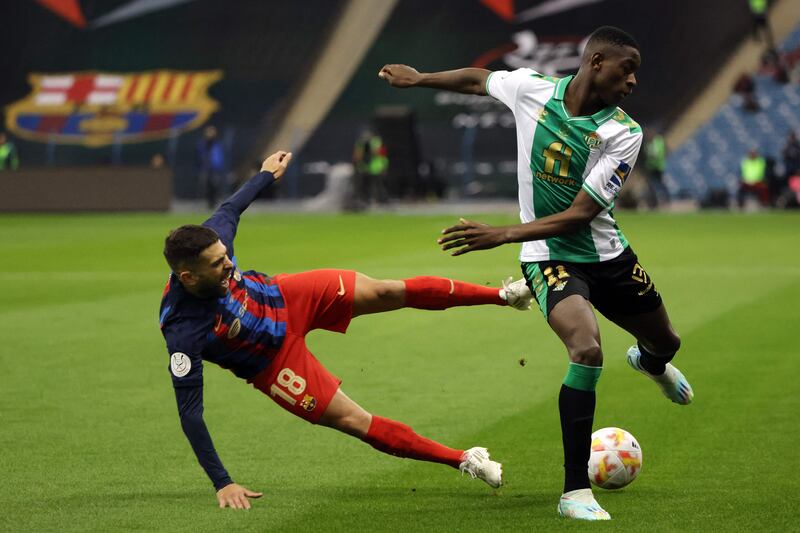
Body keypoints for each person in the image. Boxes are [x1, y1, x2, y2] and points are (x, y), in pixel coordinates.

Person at [379, 26, 693, 521]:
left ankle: (651, 365)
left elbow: (581, 214)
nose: (632, 80)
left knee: (667, 342)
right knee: (586, 349)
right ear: (595, 62)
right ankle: (573, 492)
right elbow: (478, 80)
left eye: (636, 72)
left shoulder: (623, 134)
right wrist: (420, 80)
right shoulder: (534, 89)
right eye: (625, 68)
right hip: (547, 256)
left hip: (608, 255)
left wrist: (503, 233)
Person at [160, 150, 535, 509]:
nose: (228, 263)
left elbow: (231, 207)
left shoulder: (212, 240)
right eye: (217, 264)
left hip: (285, 296)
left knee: (387, 289)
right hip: (271, 363)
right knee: (355, 421)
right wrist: (222, 482)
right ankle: (465, 460)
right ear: (188, 277)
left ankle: (503, 296)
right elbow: (190, 414)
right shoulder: (183, 331)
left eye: (227, 256)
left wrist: (265, 174)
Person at [197, 126, 226, 208]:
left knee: (215, 185)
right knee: (206, 185)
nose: (210, 134)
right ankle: (209, 202)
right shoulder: (203, 143)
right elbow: (200, 155)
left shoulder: (217, 143)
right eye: (209, 132)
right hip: (206, 168)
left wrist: (219, 165)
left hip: (215, 168)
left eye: (212, 132)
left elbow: (219, 156)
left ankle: (214, 202)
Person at [643, 129, 669, 208]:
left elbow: (656, 154)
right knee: (652, 185)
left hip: (658, 166)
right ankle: (654, 201)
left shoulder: (657, 141)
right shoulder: (648, 143)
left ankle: (666, 199)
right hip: (651, 167)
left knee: (659, 184)